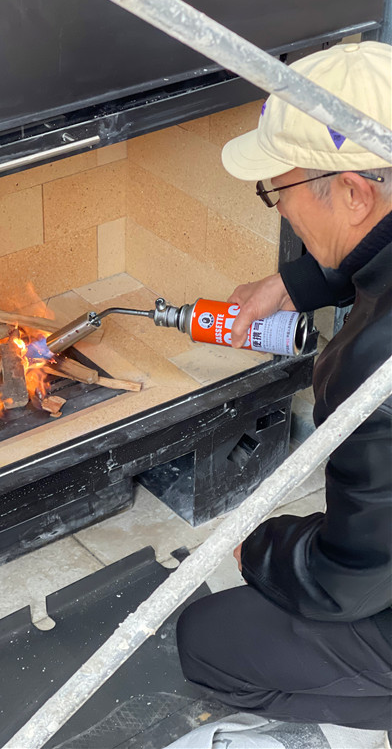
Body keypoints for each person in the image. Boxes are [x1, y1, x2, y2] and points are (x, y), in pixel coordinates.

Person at [176, 40, 392, 730]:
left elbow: (350, 581)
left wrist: (263, 549)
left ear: (354, 193)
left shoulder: (375, 369)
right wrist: (294, 282)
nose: (282, 209)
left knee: (205, 642)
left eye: (281, 190)